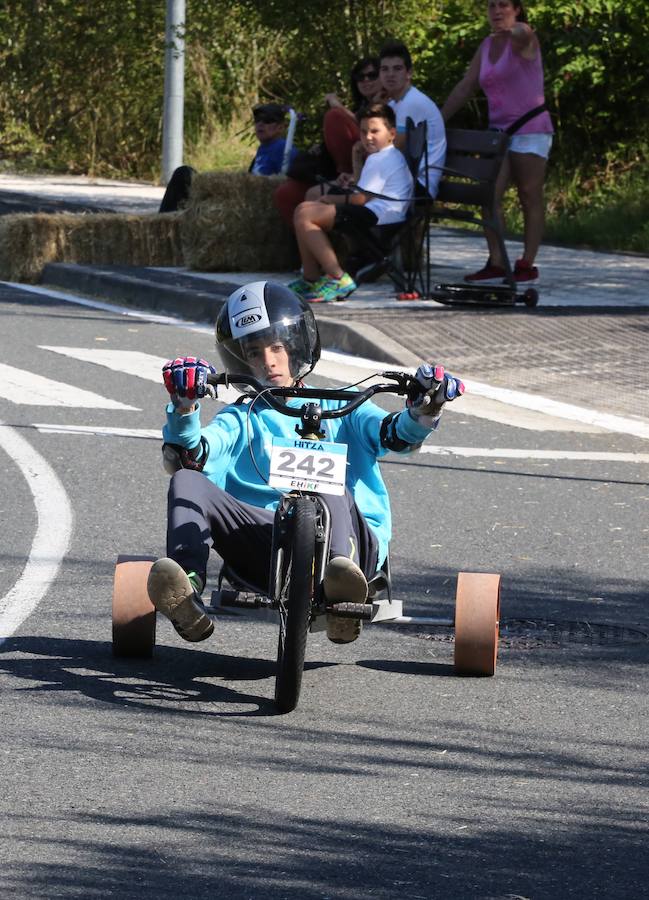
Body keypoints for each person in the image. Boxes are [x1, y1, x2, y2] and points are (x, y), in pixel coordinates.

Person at [146, 280, 464, 645]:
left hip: (351, 538)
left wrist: (425, 409)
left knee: (325, 482)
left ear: (297, 344)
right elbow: (192, 454)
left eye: (277, 347)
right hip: (264, 543)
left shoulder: (344, 405)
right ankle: (186, 588)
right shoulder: (242, 417)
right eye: (254, 352)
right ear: (239, 360)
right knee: (186, 480)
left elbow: (393, 433)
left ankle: (341, 584)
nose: (268, 361)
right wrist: (185, 406)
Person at [441, 0, 554, 283]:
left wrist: (512, 28)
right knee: (488, 195)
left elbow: (522, 33)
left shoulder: (524, 36)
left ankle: (527, 263)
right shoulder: (486, 46)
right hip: (498, 134)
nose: (496, 11)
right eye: (491, 6)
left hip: (530, 128)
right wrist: (437, 118)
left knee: (529, 195)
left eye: (503, 5)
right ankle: (497, 260)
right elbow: (467, 86)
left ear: (516, 9)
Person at [288, 102, 413, 304]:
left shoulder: (381, 158)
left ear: (391, 134)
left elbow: (360, 199)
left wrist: (330, 199)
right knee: (303, 209)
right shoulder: (385, 155)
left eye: (375, 131)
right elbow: (362, 192)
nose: (368, 137)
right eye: (363, 132)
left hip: (379, 217)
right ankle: (310, 278)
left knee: (305, 214)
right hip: (383, 213)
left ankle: (337, 277)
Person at [273, 57, 383, 227]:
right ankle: (308, 246)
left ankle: (346, 182)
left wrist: (337, 105)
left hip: (367, 174)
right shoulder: (361, 106)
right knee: (285, 194)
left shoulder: (389, 105)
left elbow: (367, 133)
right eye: (360, 77)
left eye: (372, 75)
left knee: (334, 116)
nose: (366, 80)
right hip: (337, 171)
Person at [158, 103, 298, 213]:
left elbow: (288, 185)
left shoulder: (284, 149)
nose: (260, 124)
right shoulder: (264, 149)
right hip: (242, 200)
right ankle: (166, 224)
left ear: (281, 127)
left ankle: (164, 228)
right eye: (257, 120)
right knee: (183, 175)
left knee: (183, 174)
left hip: (251, 206)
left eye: (267, 120)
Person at [378, 40, 447, 199]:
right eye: (384, 69)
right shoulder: (395, 103)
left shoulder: (413, 102)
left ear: (409, 73)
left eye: (397, 68)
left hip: (419, 186)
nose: (390, 74)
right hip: (402, 181)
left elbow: (391, 149)